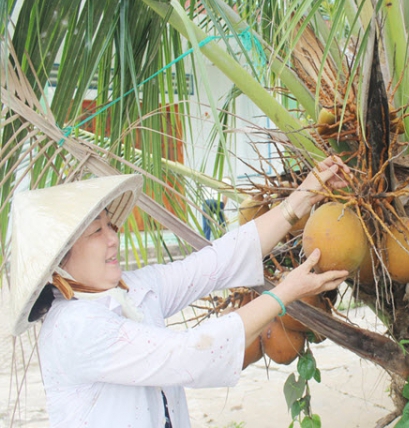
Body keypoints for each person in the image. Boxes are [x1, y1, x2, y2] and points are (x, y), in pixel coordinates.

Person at [9, 156, 351, 428]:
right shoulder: (75, 328)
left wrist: (302, 197)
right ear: (59, 263)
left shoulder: (131, 290)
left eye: (110, 225)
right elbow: (188, 354)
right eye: (96, 231)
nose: (113, 237)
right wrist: (282, 294)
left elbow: (213, 264)